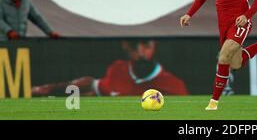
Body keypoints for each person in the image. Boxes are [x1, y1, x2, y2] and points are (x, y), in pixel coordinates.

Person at [32, 39, 189, 96]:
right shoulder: (118, 70)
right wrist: (49, 89)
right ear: (126, 46)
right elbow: (92, 85)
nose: (141, 52)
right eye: (135, 45)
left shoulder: (175, 86)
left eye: (146, 44)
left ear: (154, 46)